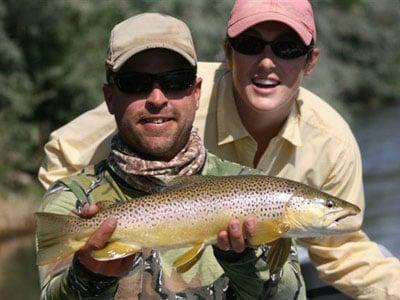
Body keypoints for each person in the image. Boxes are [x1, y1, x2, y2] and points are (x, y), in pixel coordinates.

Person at [38, 1, 400, 300]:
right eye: (250, 45)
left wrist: (242, 260)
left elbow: (341, 250)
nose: (157, 99)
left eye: (287, 49)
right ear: (228, 54)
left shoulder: (331, 141)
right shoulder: (166, 104)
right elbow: (64, 149)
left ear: (310, 61)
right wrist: (82, 242)